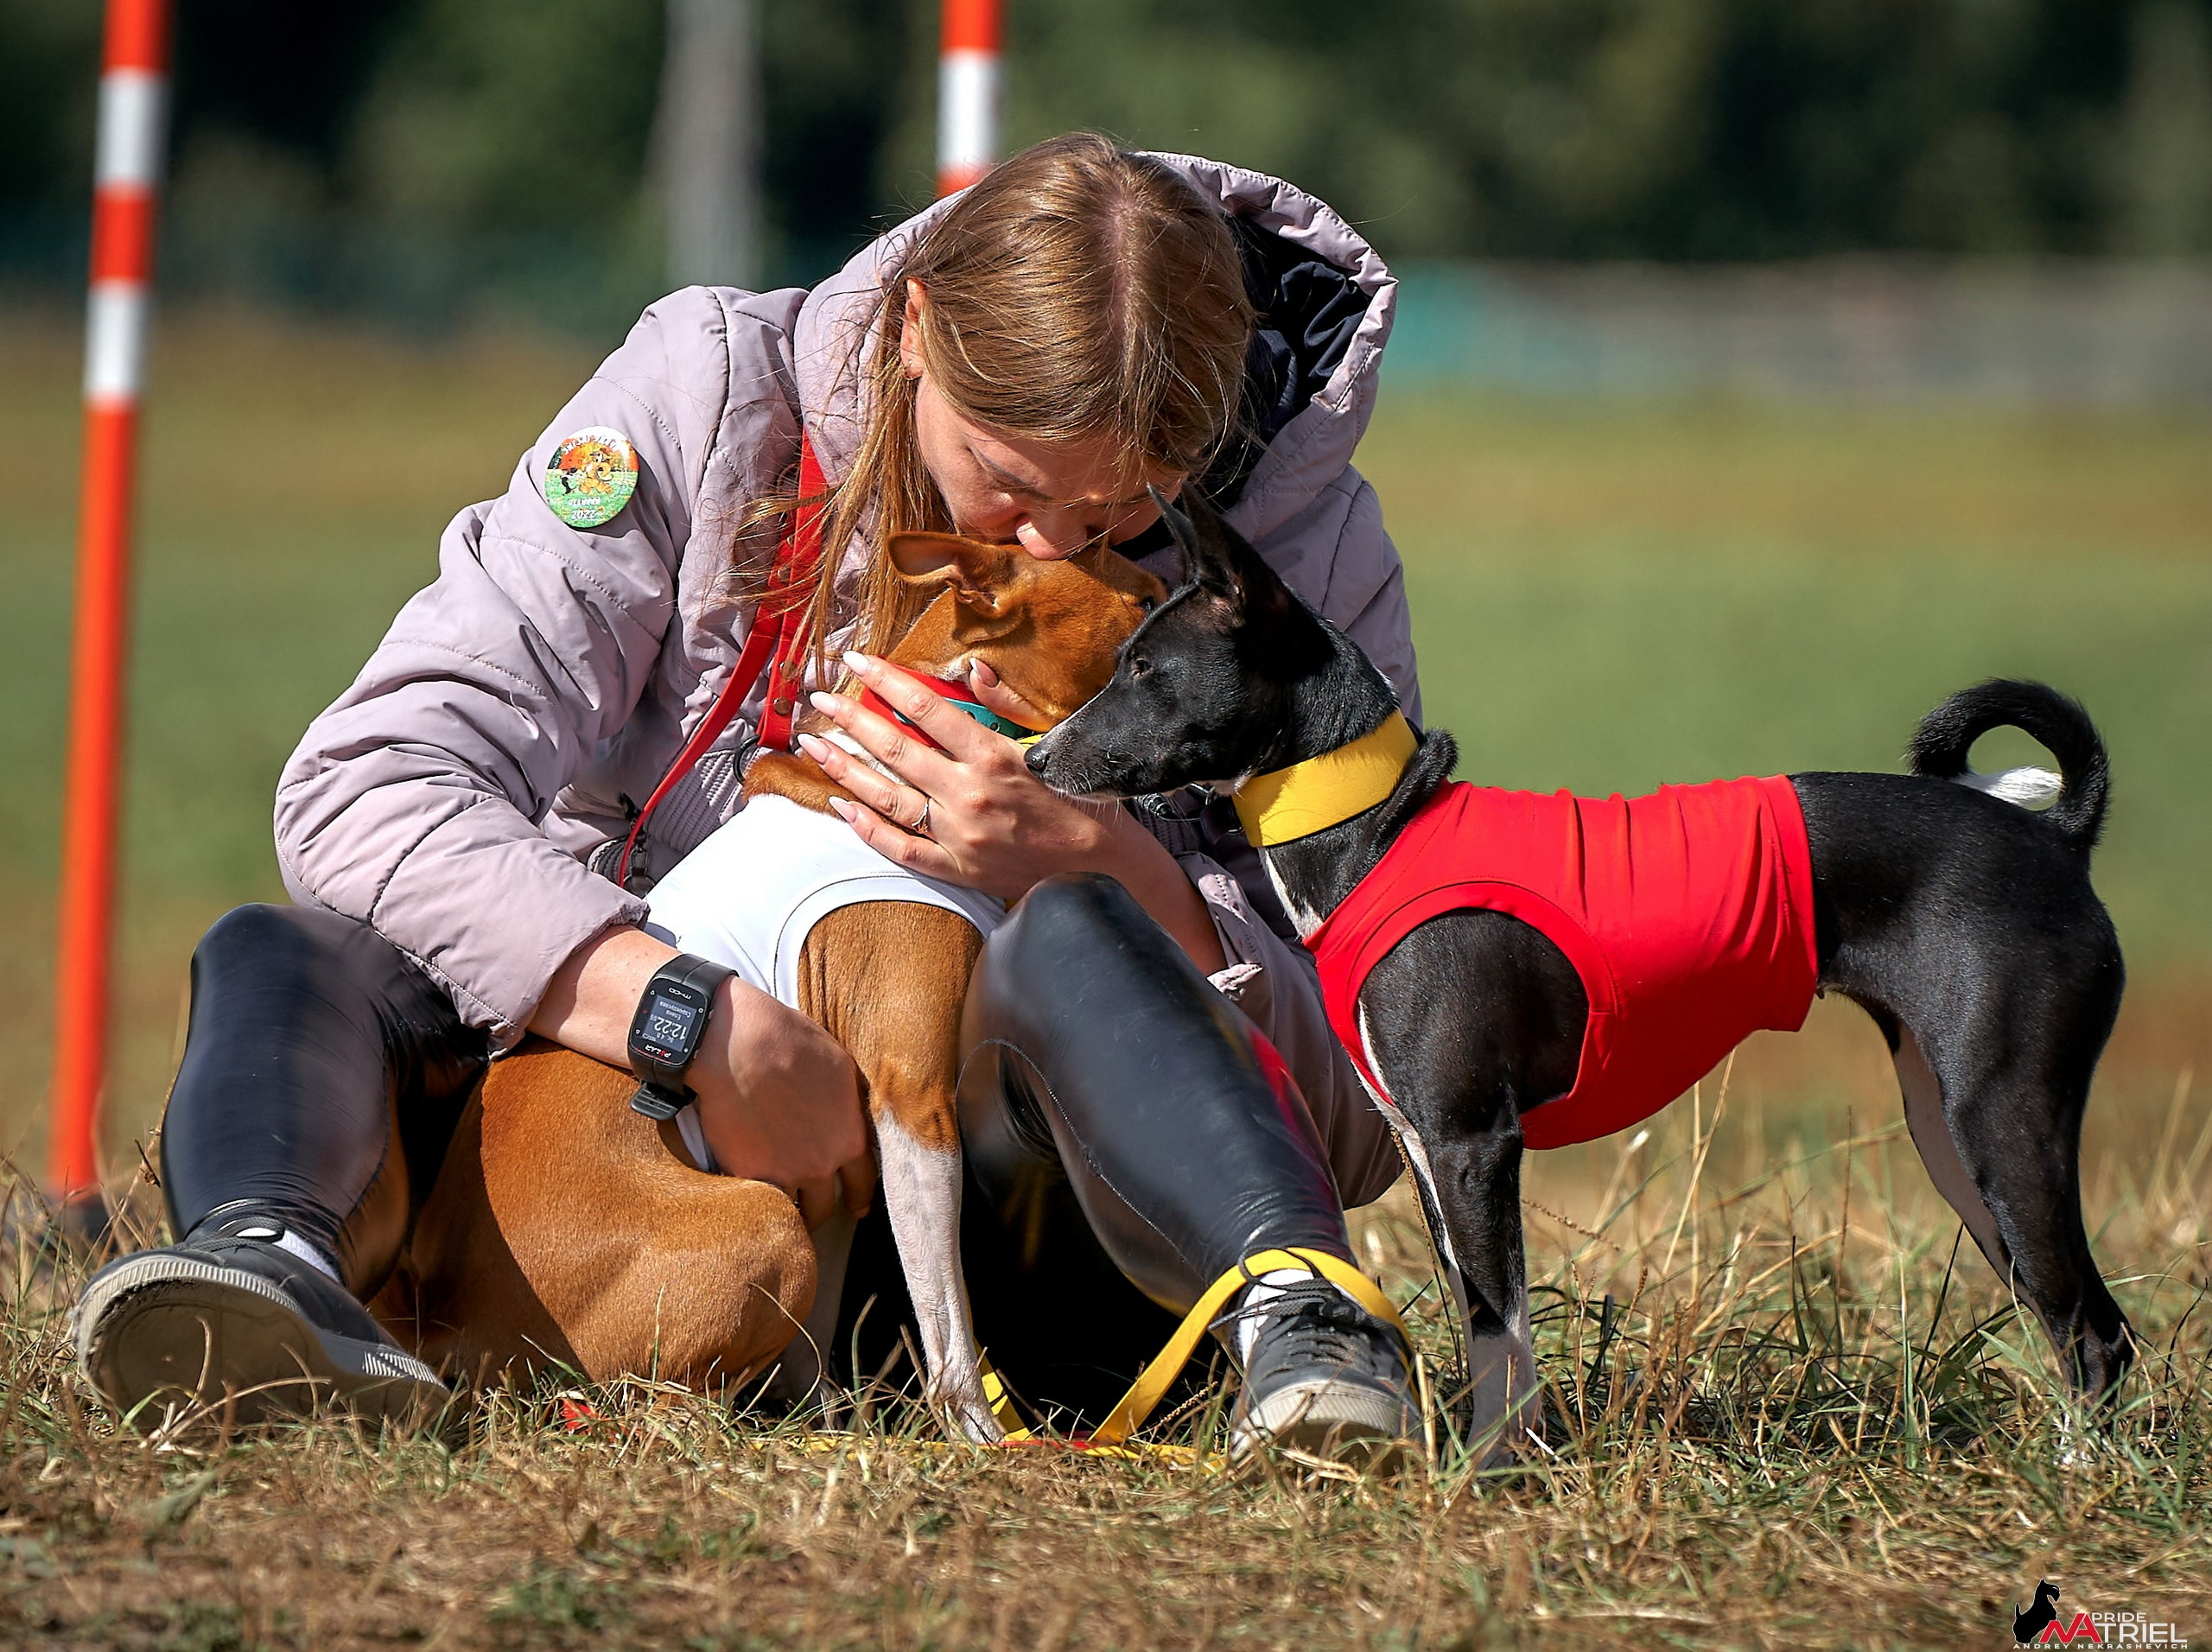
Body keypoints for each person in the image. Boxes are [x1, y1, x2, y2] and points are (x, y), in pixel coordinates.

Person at [72, 135, 1427, 1456]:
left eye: (1128, 513)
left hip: (1024, 1234)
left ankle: (1300, 1327)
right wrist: (686, 1019)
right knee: (300, 950)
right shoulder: (712, 396)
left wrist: (1113, 868)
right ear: (913, 329)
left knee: (1083, 931)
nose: (1050, 547)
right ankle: (275, 1275)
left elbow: (1385, 1079)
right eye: (1009, 483)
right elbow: (365, 782)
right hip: (634, 1169)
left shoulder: (1306, 560)